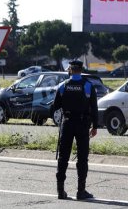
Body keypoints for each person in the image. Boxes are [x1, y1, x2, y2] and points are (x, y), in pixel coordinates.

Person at [53, 59, 98, 200]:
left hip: (67, 124)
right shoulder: (88, 86)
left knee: (63, 157)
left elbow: (54, 107)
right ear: (81, 70)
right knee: (82, 158)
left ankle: (60, 191)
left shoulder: (62, 86)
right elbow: (94, 109)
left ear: (70, 70)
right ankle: (81, 191)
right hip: (82, 124)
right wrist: (95, 126)